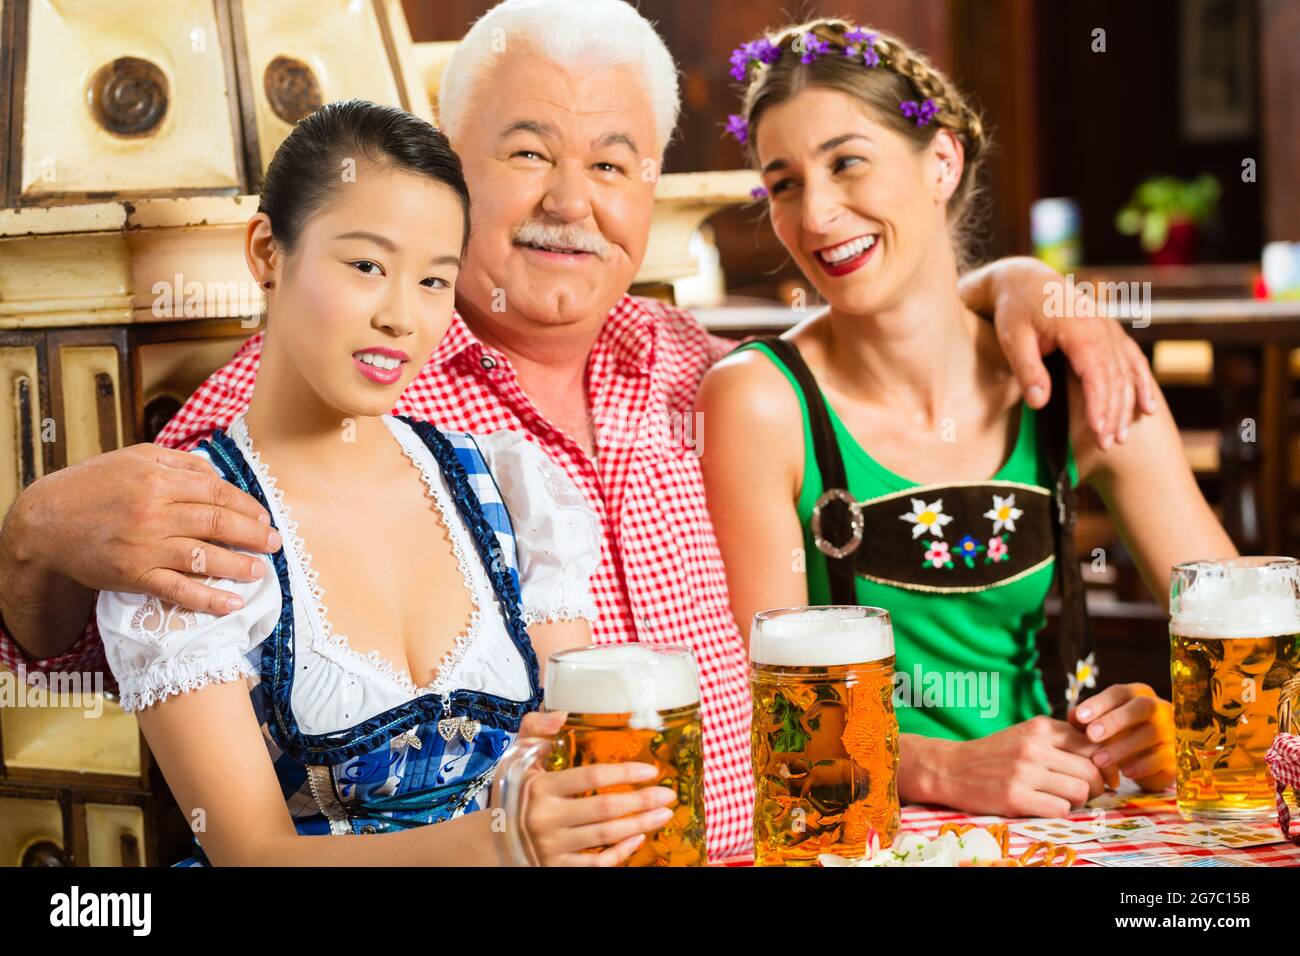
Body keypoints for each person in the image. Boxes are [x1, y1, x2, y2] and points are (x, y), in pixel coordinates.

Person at [0, 0, 1154, 860]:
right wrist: (33, 530)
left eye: (612, 163)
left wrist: (1019, 285)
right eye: (529, 152)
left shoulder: (705, 371)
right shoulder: (347, 375)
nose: (572, 200)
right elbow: (79, 638)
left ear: (649, 190)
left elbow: (884, 328)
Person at [94, 99, 677, 866]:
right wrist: (501, 842)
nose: (402, 316)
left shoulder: (511, 491)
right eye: (367, 265)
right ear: (268, 251)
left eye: (435, 281)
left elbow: (563, 759)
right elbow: (250, 853)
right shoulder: (192, 528)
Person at [699, 19, 1236, 820]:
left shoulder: (1079, 381)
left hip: (1071, 824)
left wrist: (1180, 727)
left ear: (941, 161)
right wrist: (944, 768)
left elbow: (1246, 650)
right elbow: (761, 710)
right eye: (783, 183)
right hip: (861, 828)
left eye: (848, 162)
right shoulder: (760, 400)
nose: (815, 217)